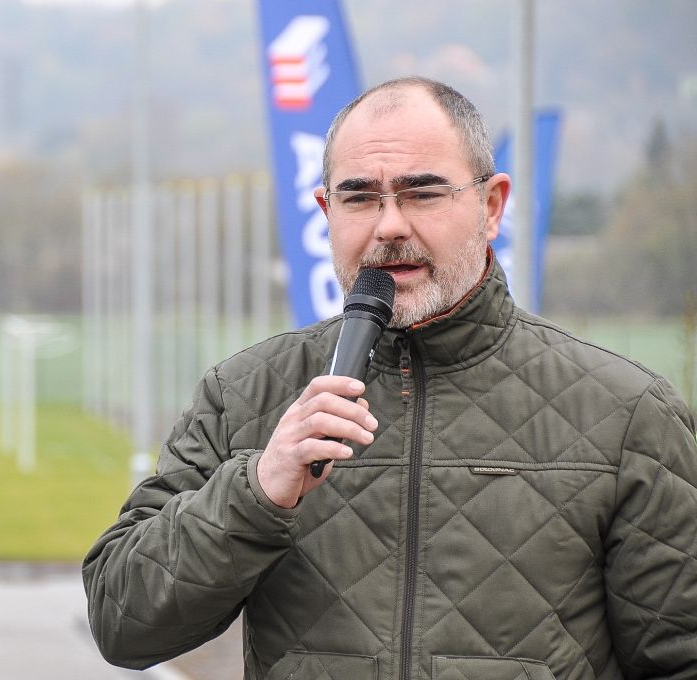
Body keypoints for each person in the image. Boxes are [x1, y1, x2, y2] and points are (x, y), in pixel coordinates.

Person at [82, 76, 697, 679]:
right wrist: (256, 492)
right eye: (359, 198)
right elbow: (123, 623)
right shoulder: (244, 396)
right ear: (326, 210)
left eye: (422, 194)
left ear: (491, 207)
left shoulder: (627, 415)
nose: (390, 226)